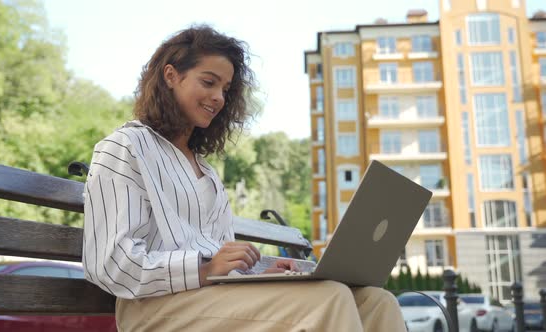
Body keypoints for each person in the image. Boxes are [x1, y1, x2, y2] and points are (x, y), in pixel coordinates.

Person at [82, 25, 407, 332]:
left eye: (225, 89)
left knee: (376, 302)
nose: (219, 98)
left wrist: (257, 271)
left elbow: (220, 258)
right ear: (171, 76)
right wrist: (204, 269)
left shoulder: (205, 171)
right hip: (153, 307)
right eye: (208, 82)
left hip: (208, 297)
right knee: (330, 298)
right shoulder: (125, 147)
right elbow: (111, 262)